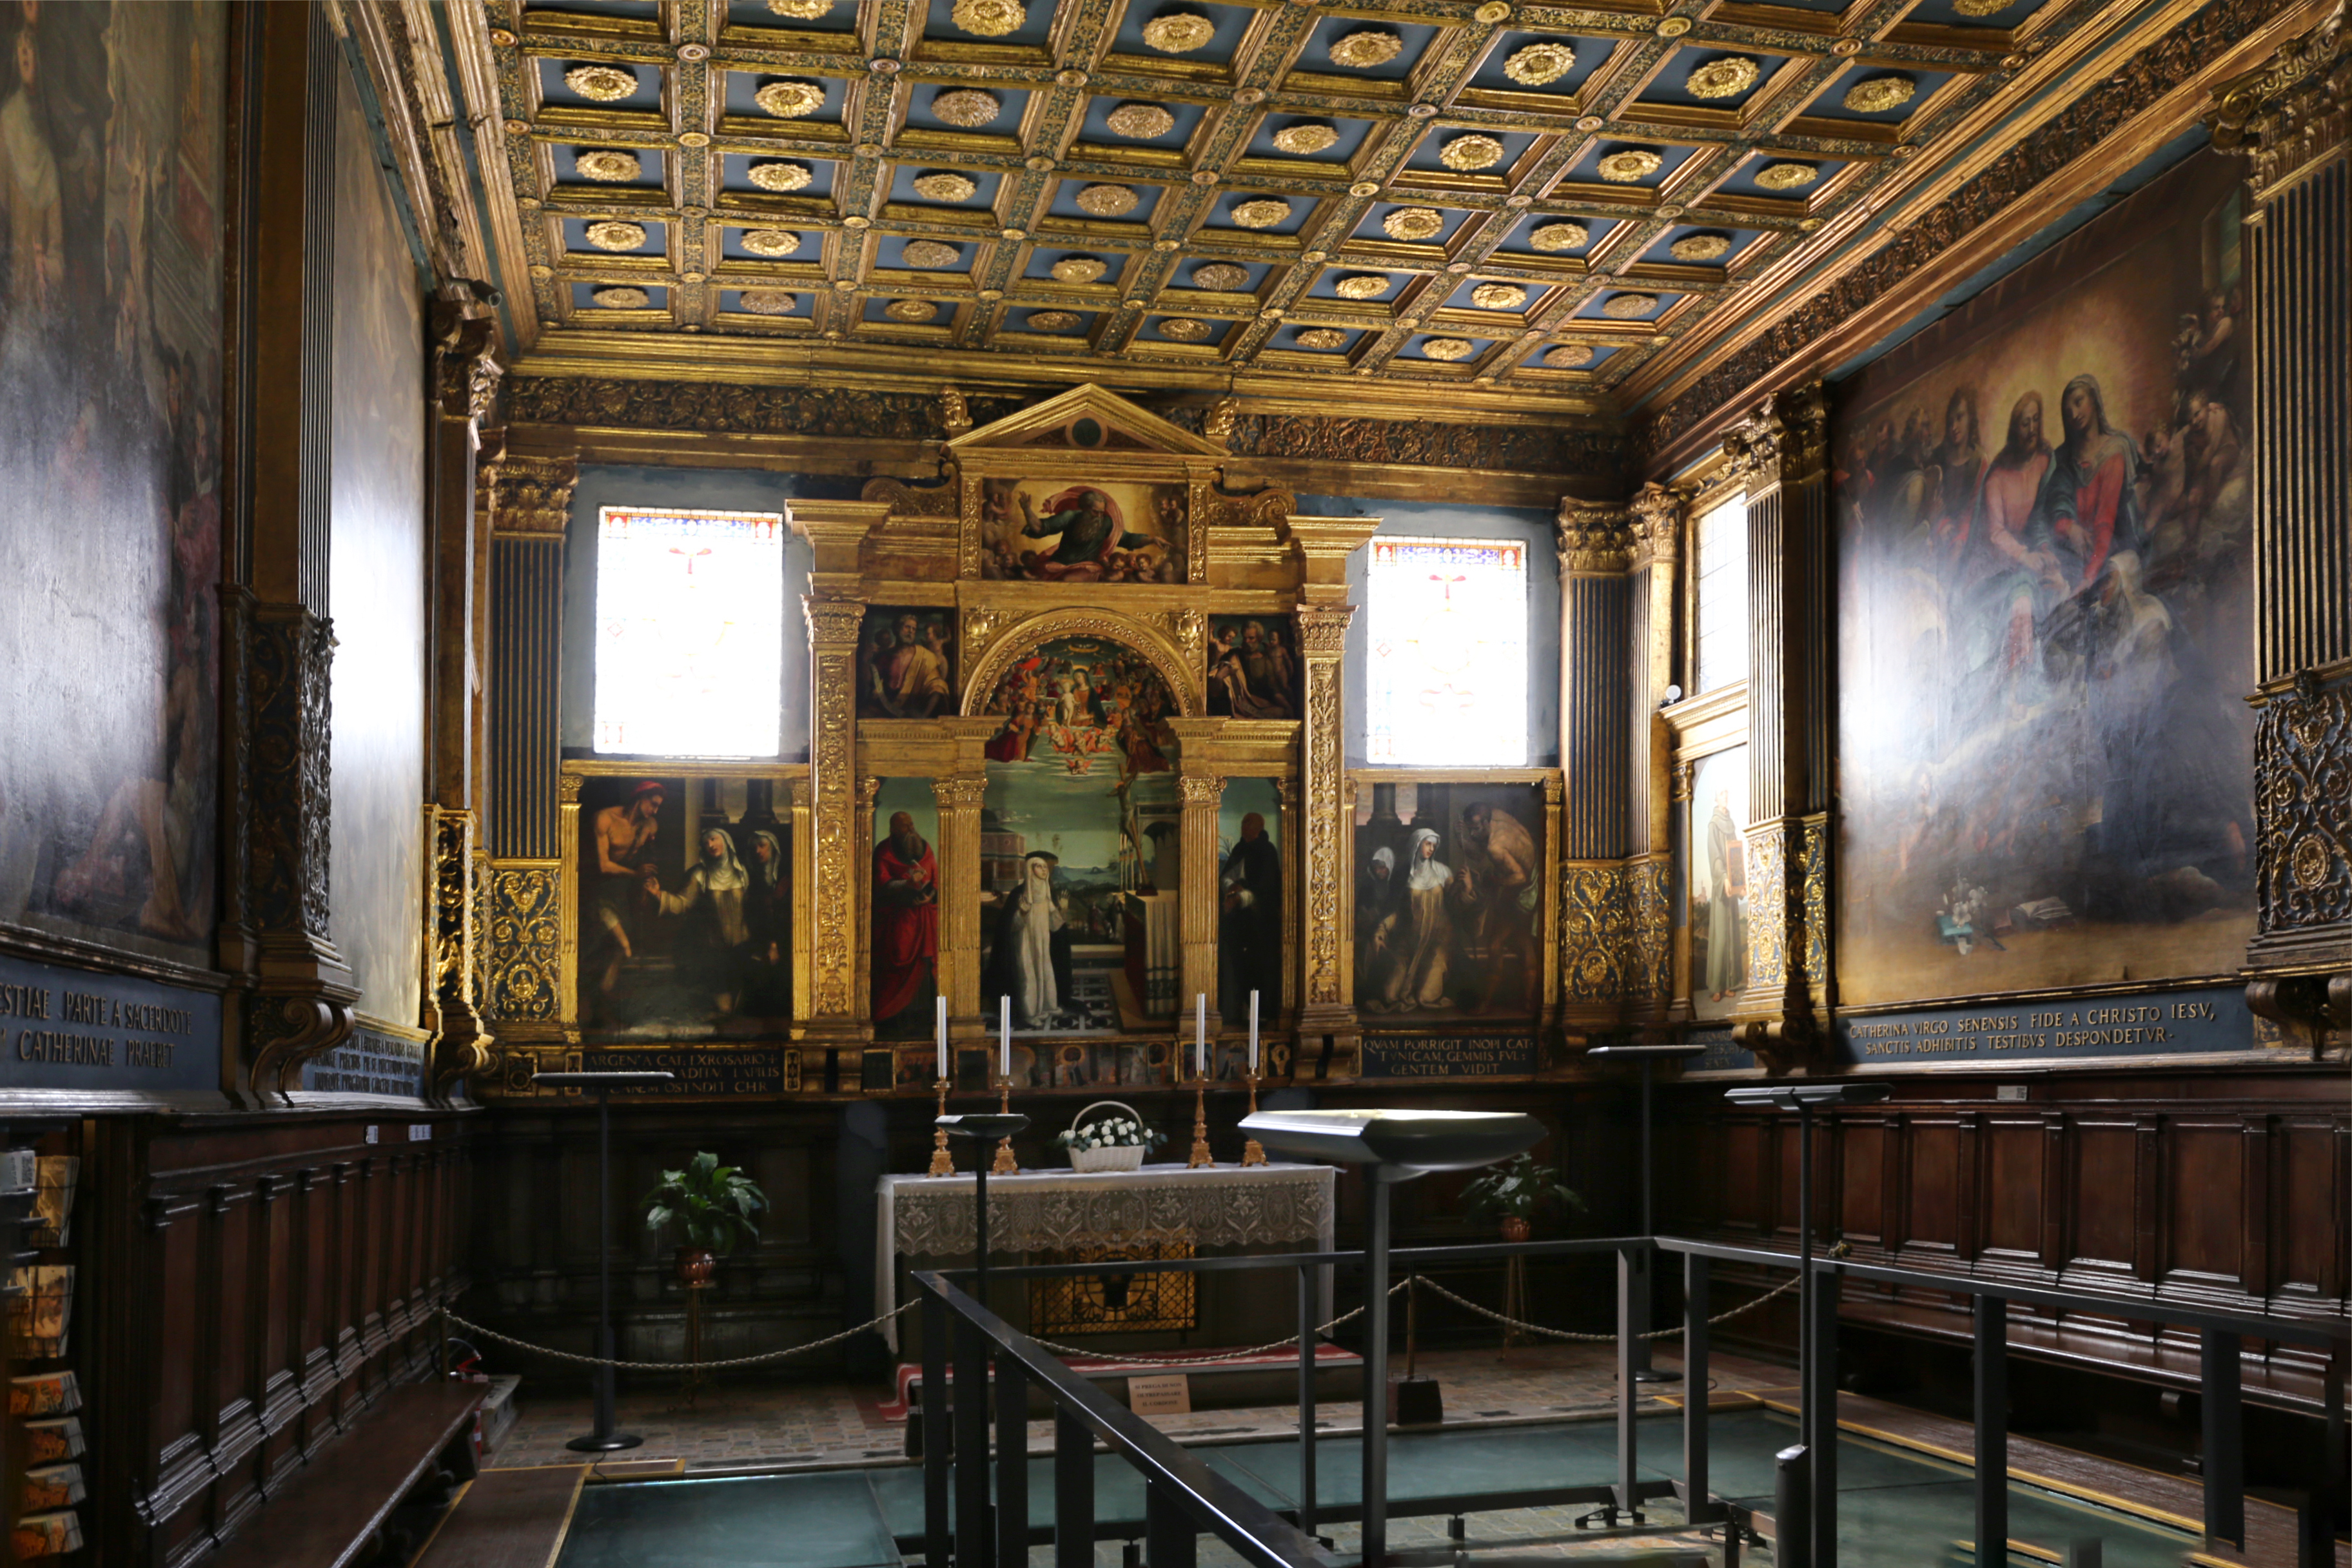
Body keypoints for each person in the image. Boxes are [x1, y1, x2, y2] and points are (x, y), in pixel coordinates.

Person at [645, 827, 752, 1017]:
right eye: (705, 843)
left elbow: (754, 907)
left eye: (713, 839)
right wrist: (658, 895)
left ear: (726, 841)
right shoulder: (699, 874)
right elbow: (682, 903)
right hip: (714, 949)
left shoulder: (742, 872)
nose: (710, 845)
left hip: (742, 946)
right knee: (724, 1007)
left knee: (745, 1000)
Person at [587, 782, 664, 1004]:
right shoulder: (606, 818)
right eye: (653, 804)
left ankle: (602, 1000)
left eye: (659, 807)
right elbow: (603, 865)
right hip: (599, 891)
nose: (655, 811)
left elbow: (649, 859)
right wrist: (636, 874)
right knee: (622, 946)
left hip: (623, 893)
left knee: (618, 952)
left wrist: (647, 883)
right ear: (641, 797)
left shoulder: (650, 825)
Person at [1460, 801, 1538, 1012]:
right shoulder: (1498, 816)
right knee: (1523, 943)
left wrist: (1492, 880)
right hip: (1534, 882)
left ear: (1486, 822)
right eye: (1470, 829)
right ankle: (1529, 1002)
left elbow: (1519, 877)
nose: (1473, 834)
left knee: (1496, 945)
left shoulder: (1496, 846)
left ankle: (1487, 1002)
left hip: (1523, 893)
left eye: (1476, 829)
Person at [871, 810, 939, 1030]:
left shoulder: (924, 848)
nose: (910, 829)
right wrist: (908, 882)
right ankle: (893, 1017)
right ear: (893, 829)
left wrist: (930, 895)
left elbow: (935, 879)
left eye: (911, 824)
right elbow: (882, 885)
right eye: (904, 826)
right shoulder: (883, 851)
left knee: (924, 964)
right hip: (898, 919)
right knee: (897, 963)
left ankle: (922, 1017)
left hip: (923, 919)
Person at [1377, 828, 1454, 1013]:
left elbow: (1456, 903)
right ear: (1416, 844)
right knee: (1390, 996)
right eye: (1428, 844)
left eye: (1434, 845)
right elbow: (1395, 911)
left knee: (1425, 998)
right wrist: (1381, 930)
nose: (1431, 849)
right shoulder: (1403, 875)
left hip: (1436, 944)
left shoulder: (1443, 872)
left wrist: (1467, 888)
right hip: (1407, 943)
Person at [988, 852, 1066, 1028]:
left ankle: (1048, 1006)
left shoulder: (1047, 893)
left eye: (1045, 867)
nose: (1044, 870)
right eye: (1039, 866)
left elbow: (1055, 925)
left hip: (1043, 942)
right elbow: (1011, 926)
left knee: (1045, 970)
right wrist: (1022, 912)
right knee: (1028, 975)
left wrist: (1063, 911)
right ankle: (1030, 1013)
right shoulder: (1019, 894)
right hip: (1024, 943)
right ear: (1030, 870)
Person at [1014, 487, 1162, 578]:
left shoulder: (1106, 522)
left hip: (1090, 568)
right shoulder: (1070, 516)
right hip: (1061, 566)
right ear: (1084, 508)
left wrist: (1152, 540)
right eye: (1095, 512)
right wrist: (1027, 509)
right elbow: (1040, 528)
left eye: (1101, 512)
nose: (1099, 516)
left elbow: (1126, 538)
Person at [1218, 812, 1281, 1023]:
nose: (1243, 828)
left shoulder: (1267, 851)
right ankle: (1237, 1010)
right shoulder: (1239, 848)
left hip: (1260, 921)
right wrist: (1231, 887)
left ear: (1258, 828)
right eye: (1243, 823)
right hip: (1239, 920)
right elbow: (1226, 877)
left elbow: (1265, 890)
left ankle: (1260, 1014)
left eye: (1248, 824)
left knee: (1257, 968)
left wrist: (1239, 895)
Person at [1704, 790, 1745, 1003]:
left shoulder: (1731, 823)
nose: (1725, 797)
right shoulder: (1713, 825)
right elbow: (1716, 856)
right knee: (1721, 936)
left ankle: (1730, 984)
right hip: (1722, 886)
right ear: (1715, 798)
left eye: (1727, 794)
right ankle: (1716, 987)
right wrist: (1725, 879)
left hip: (1732, 884)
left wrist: (1740, 883)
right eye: (1721, 794)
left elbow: (1735, 855)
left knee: (1731, 934)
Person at [877, 612, 950, 717]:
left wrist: (924, 716)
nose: (911, 631)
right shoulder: (884, 657)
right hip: (887, 710)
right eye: (907, 627)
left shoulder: (925, 657)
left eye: (914, 629)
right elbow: (875, 685)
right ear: (897, 629)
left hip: (914, 713)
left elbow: (937, 686)